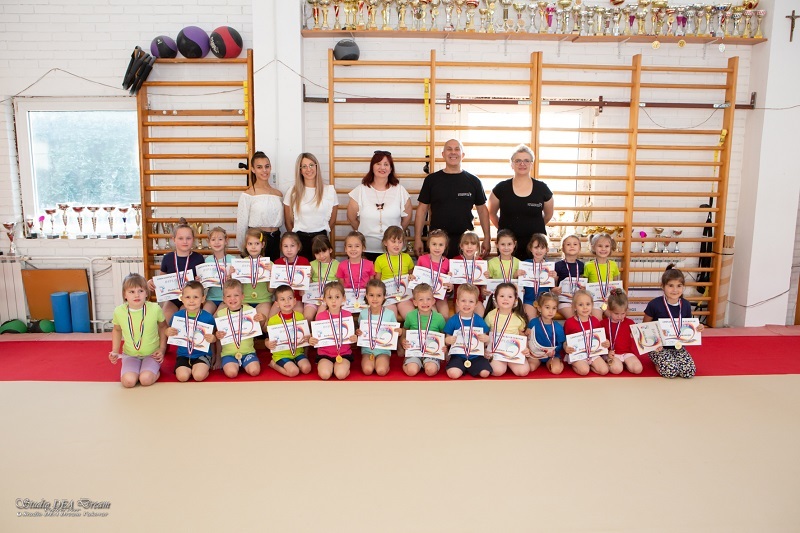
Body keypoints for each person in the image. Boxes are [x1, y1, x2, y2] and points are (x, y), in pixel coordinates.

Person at [414, 139, 491, 258]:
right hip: (437, 242)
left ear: (463, 155)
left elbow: (482, 211)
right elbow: (422, 210)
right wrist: (417, 238)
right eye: (449, 149)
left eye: (457, 149)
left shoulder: (474, 181)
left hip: (465, 242)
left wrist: (487, 237)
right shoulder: (431, 180)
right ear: (443, 154)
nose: (453, 152)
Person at [487, 144, 554, 261]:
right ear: (511, 164)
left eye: (526, 161)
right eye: (518, 161)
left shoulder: (542, 188)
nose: (522, 164)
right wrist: (505, 230)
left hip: (535, 246)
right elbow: (491, 213)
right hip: (508, 245)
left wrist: (534, 226)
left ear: (531, 164)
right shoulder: (501, 188)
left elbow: (548, 214)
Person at [346, 150, 412, 262]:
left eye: (386, 164)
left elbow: (406, 219)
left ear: (391, 169)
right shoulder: (360, 190)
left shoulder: (400, 190)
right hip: (366, 249)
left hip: (393, 250)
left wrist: (394, 236)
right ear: (372, 167)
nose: (382, 167)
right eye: (378, 164)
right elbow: (352, 218)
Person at [643, 265, 701, 379]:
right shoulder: (654, 304)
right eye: (670, 286)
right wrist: (654, 344)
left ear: (683, 287)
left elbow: (688, 326)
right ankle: (657, 363)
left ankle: (671, 360)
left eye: (679, 286)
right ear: (663, 286)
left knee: (689, 372)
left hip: (678, 346)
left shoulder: (686, 305)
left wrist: (698, 328)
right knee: (671, 372)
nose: (675, 290)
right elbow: (645, 327)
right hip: (658, 347)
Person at [110, 273, 167, 388]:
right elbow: (117, 330)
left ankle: (154, 371)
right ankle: (138, 369)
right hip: (130, 354)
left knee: (145, 380)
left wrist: (162, 349)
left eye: (140, 291)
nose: (136, 295)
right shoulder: (119, 311)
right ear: (125, 295)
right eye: (131, 292)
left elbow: (163, 327)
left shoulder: (155, 308)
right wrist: (115, 351)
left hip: (152, 354)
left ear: (146, 293)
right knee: (128, 382)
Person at [147, 218, 205, 326]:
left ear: (193, 239)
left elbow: (202, 283)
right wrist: (151, 282)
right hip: (172, 299)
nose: (185, 241)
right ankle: (165, 338)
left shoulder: (198, 258)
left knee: (184, 319)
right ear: (174, 239)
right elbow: (161, 279)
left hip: (190, 299)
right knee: (164, 320)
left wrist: (199, 281)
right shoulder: (168, 258)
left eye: (188, 238)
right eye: (181, 238)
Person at [284, 153, 338, 261]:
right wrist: (295, 242)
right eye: (304, 166)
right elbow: (288, 221)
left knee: (321, 270)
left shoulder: (329, 191)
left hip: (321, 239)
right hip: (300, 240)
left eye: (311, 165)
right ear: (300, 170)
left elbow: (332, 220)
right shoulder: (292, 191)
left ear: (317, 167)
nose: (308, 169)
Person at [236, 151, 283, 261]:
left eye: (267, 166)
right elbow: (242, 224)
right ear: (253, 169)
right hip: (257, 240)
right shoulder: (248, 195)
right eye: (259, 167)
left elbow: (282, 221)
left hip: (275, 239)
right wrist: (243, 249)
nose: (264, 170)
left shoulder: (278, 194)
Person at [166, 280, 216, 382]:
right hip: (183, 355)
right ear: (182, 299)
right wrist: (168, 332)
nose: (191, 301)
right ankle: (189, 369)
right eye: (188, 297)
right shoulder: (177, 316)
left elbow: (214, 335)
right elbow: (168, 331)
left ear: (203, 299)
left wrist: (213, 338)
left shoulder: (208, 317)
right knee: (182, 377)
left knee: (198, 376)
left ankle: (203, 368)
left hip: (202, 355)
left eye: (196, 297)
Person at [310, 281, 358, 380]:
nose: (333, 301)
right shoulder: (320, 316)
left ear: (343, 298)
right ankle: (328, 367)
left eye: (337, 297)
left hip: (343, 354)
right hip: (324, 354)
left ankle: (341, 368)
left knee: (340, 375)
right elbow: (315, 336)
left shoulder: (348, 315)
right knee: (325, 375)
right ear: (324, 299)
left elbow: (351, 336)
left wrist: (354, 338)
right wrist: (312, 339)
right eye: (330, 297)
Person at [444, 284, 492, 379]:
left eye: (471, 301)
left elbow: (486, 340)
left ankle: (471, 368)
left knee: (485, 373)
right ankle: (460, 368)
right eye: (463, 301)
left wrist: (486, 339)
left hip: (476, 356)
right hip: (457, 356)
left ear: (476, 304)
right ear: (457, 302)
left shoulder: (479, 320)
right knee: (453, 374)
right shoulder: (453, 320)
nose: (467, 304)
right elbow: (446, 340)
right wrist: (448, 340)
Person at [356, 279, 402, 377]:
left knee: (381, 371)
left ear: (384, 297)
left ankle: (385, 364)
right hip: (367, 351)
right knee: (367, 370)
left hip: (383, 350)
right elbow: (360, 330)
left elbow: (396, 332)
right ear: (366, 296)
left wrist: (399, 332)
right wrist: (358, 332)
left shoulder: (390, 314)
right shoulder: (363, 313)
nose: (375, 299)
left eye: (379, 295)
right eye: (371, 295)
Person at [266, 285, 312, 378]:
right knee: (294, 372)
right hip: (281, 354)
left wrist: (309, 337)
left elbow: (306, 336)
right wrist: (267, 344)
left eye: (290, 298)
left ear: (294, 301)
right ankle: (274, 364)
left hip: (297, 352)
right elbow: (268, 339)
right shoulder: (273, 320)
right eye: (282, 299)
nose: (287, 302)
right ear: (277, 304)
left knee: (307, 369)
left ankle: (294, 363)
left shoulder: (300, 316)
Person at [486, 282, 531, 377]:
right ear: (495, 298)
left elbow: (522, 335)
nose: (505, 299)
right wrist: (485, 350)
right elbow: (485, 334)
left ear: (515, 300)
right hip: (496, 352)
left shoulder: (519, 318)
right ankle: (501, 364)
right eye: (502, 296)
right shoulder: (490, 316)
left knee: (523, 371)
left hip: (513, 352)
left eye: (510, 296)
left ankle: (509, 363)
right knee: (498, 371)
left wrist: (526, 348)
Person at [401, 283, 446, 377]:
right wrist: (403, 340)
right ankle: (409, 363)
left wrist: (444, 346)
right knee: (411, 371)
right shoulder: (410, 316)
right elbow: (405, 330)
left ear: (433, 301)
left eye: (428, 299)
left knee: (430, 371)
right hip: (414, 351)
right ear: (415, 302)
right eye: (421, 299)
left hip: (431, 352)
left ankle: (428, 363)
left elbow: (443, 334)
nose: (425, 302)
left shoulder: (439, 318)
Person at [563, 289, 610, 376]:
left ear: (592, 305)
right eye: (581, 305)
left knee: (604, 370)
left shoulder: (595, 321)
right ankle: (576, 365)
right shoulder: (569, 323)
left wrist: (606, 342)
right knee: (584, 371)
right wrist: (566, 347)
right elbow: (565, 341)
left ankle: (591, 366)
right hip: (577, 355)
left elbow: (602, 339)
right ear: (574, 307)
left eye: (588, 304)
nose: (585, 307)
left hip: (593, 353)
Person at [373, 226, 416, 320]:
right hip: (387, 297)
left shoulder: (407, 258)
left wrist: (411, 277)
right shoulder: (379, 260)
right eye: (393, 241)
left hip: (404, 295)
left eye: (400, 242)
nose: (397, 245)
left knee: (411, 317)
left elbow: (411, 275)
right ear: (385, 242)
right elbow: (377, 281)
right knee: (390, 318)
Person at [413, 229, 453, 319]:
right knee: (432, 315)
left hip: (440, 297)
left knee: (445, 316)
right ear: (428, 245)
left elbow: (450, 283)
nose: (437, 248)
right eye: (434, 244)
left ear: (445, 246)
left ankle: (443, 329)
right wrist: (412, 278)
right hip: (425, 297)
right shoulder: (422, 259)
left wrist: (450, 286)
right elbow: (416, 278)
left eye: (441, 245)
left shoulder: (447, 262)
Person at [601, 288, 643, 375]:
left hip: (627, 353)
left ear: (626, 310)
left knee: (638, 369)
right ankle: (608, 361)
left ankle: (625, 364)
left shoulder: (630, 323)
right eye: (616, 313)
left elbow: (641, 338)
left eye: (623, 313)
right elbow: (599, 343)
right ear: (609, 309)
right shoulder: (603, 323)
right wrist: (607, 350)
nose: (620, 316)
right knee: (617, 369)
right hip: (611, 354)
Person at [268, 232, 310, 317]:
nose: (289, 249)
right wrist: (271, 276)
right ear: (281, 248)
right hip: (281, 300)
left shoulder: (304, 262)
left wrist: (309, 280)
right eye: (285, 246)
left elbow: (308, 286)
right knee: (270, 319)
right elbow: (270, 290)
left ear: (298, 247)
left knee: (298, 318)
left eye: (292, 246)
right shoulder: (277, 263)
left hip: (297, 299)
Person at [239, 228, 273, 328]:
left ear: (262, 245)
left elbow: (271, 290)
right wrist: (233, 275)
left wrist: (272, 275)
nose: (253, 247)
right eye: (250, 244)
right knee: (245, 325)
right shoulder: (240, 264)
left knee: (262, 323)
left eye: (257, 243)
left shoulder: (269, 264)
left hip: (263, 301)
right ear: (246, 245)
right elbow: (237, 288)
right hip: (245, 301)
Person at [527, 292, 565, 375]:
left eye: (554, 308)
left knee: (556, 370)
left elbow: (561, 344)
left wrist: (554, 351)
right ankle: (539, 362)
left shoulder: (558, 327)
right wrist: (527, 333)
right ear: (539, 308)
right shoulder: (533, 322)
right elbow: (528, 338)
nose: (551, 311)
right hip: (536, 355)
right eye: (547, 307)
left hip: (552, 355)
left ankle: (558, 362)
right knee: (530, 368)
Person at [335, 231, 375, 311]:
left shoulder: (370, 264)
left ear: (363, 248)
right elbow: (341, 285)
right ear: (345, 248)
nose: (353, 249)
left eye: (357, 246)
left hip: (366, 299)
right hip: (347, 300)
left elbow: (372, 284)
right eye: (350, 246)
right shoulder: (341, 265)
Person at [583, 232, 620, 319]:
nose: (603, 249)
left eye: (606, 246)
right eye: (600, 246)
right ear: (593, 247)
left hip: (609, 300)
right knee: (597, 320)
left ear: (611, 247)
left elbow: (615, 284)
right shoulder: (588, 265)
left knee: (615, 318)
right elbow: (584, 285)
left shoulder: (613, 265)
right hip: (594, 301)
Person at [521, 234, 557, 321]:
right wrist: (516, 274)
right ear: (530, 248)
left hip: (545, 300)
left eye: (542, 248)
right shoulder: (525, 264)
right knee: (532, 320)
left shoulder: (549, 266)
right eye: (536, 247)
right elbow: (519, 281)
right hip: (529, 300)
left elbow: (552, 288)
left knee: (545, 321)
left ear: (547, 249)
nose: (539, 251)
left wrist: (555, 277)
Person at [304, 235, 340, 320]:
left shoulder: (337, 265)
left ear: (330, 250)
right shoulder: (311, 265)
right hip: (313, 297)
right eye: (317, 253)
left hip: (328, 299)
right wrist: (309, 278)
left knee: (319, 318)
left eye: (324, 251)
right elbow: (308, 285)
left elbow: (339, 284)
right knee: (307, 318)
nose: (321, 256)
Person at [552, 234, 585, 320]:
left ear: (579, 248)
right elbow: (553, 285)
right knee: (574, 318)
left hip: (579, 299)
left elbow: (583, 282)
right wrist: (554, 289)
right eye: (568, 244)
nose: (572, 246)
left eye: (575, 244)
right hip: (563, 300)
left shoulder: (581, 265)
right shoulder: (557, 265)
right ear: (563, 248)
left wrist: (584, 288)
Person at [487, 229, 525, 293]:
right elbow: (488, 283)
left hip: (513, 296)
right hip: (497, 296)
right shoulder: (491, 263)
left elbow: (522, 282)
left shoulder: (519, 263)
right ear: (496, 244)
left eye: (509, 244)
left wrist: (521, 289)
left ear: (514, 244)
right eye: (503, 244)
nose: (506, 247)